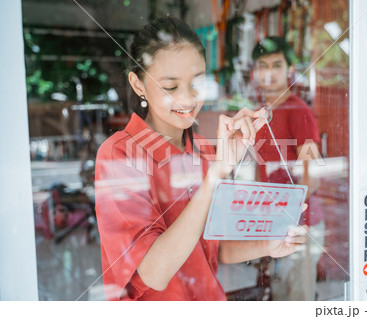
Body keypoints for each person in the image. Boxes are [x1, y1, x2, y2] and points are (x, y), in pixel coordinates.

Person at [94, 17, 308, 301]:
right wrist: (215, 175)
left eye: (197, 83)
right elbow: (154, 273)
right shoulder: (119, 154)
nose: (188, 98)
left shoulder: (204, 151)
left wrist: (270, 244)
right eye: (170, 87)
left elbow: (212, 247)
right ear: (138, 84)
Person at [251, 36, 325, 301]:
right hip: (274, 226)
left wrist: (286, 216)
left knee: (297, 303)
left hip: (300, 224)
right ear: (254, 71)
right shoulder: (260, 114)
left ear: (290, 69)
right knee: (279, 298)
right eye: (262, 65)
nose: (269, 72)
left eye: (276, 65)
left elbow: (312, 175)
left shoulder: (298, 111)